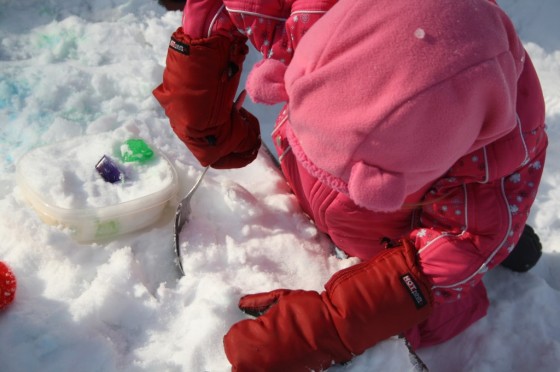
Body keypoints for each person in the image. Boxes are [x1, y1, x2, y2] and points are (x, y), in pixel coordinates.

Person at [153, 0, 548, 370]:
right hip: (333, 191)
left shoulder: (494, 164)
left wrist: (332, 326)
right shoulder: (316, 11)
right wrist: (201, 94)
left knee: (428, 313)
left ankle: (504, 240)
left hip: (398, 233)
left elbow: (464, 244)